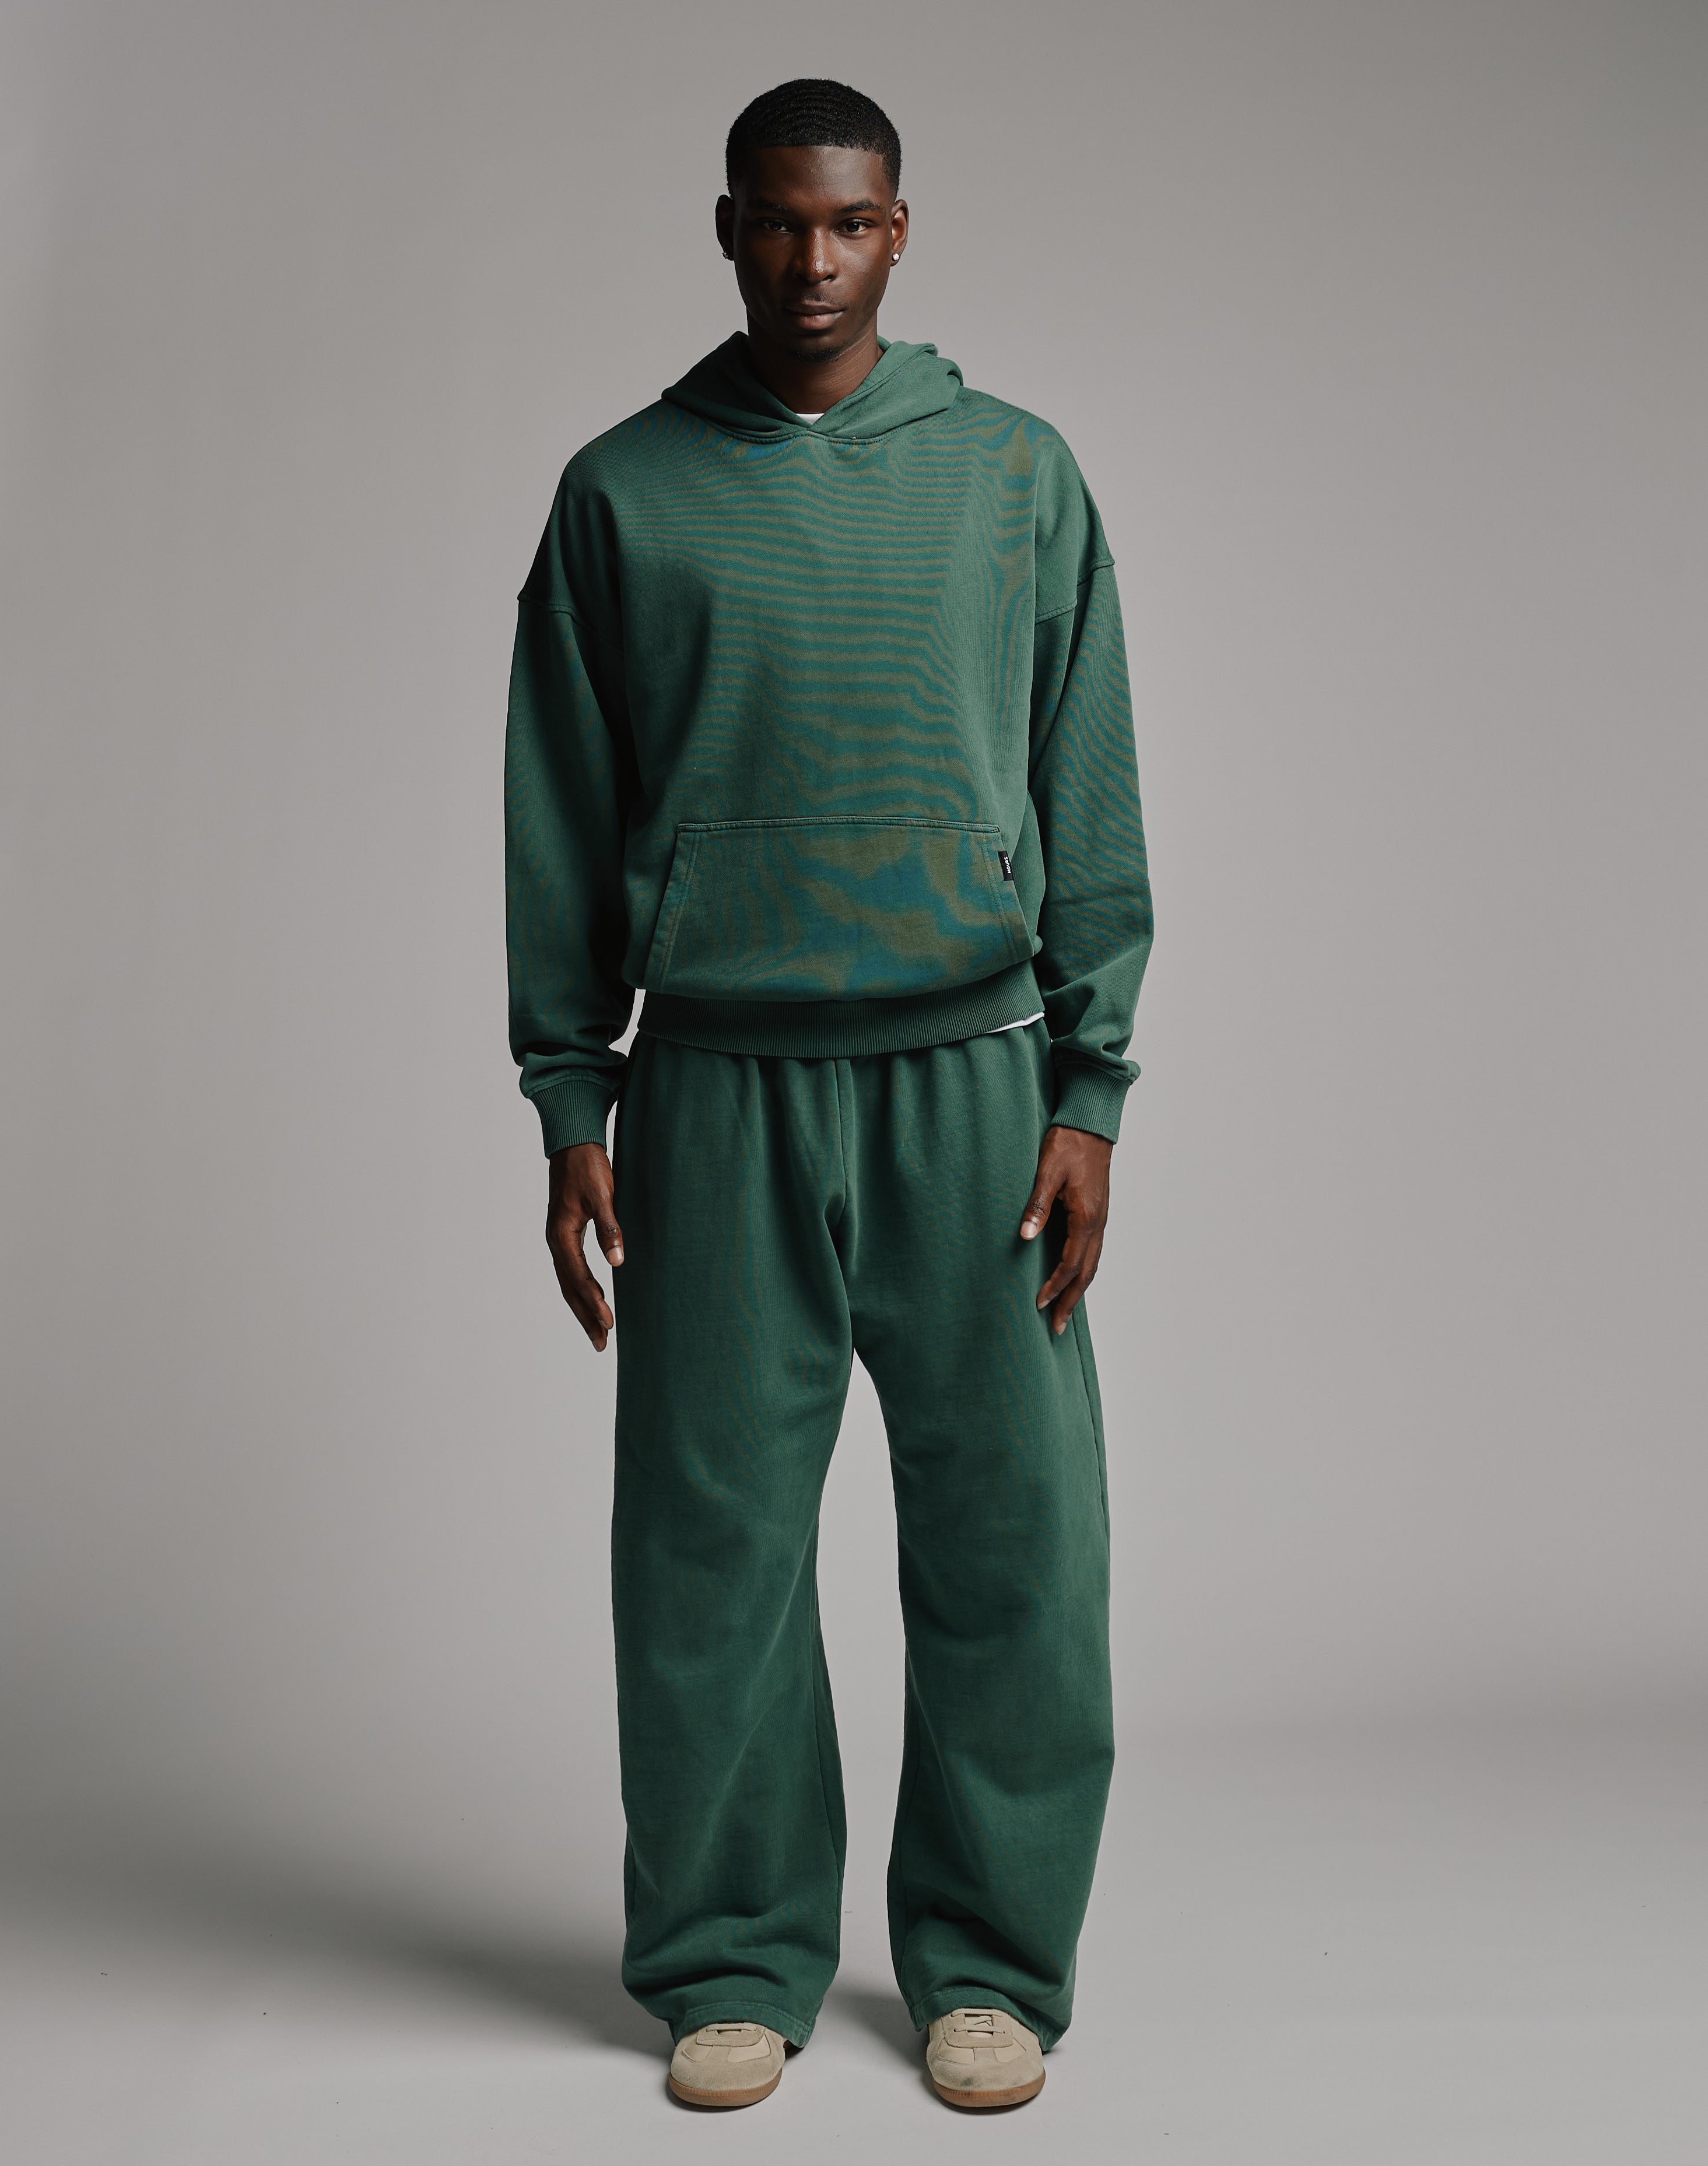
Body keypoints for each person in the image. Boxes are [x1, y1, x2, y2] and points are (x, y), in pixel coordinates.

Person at [505, 77, 1152, 2112]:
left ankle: (991, 1966)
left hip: (972, 1084)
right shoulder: (622, 492)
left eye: (849, 222)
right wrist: (569, 1101)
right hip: (712, 1088)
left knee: (1014, 1549)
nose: (812, 261)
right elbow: (558, 810)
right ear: (725, 228)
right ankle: (728, 1956)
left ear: (900, 229)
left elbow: (1084, 788)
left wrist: (1090, 1088)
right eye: (778, 222)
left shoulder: (1016, 475)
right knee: (708, 1559)